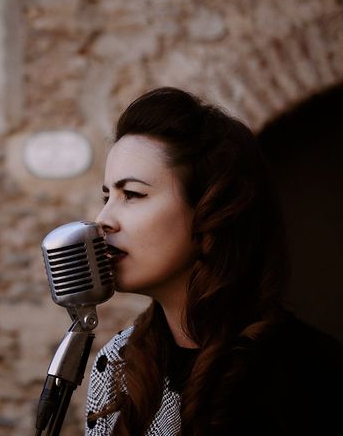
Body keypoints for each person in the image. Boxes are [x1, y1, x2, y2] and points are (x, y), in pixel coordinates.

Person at [85, 87, 342, 436]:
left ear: (210, 210)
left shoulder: (311, 372)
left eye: (132, 194)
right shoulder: (116, 364)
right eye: (107, 195)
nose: (103, 219)